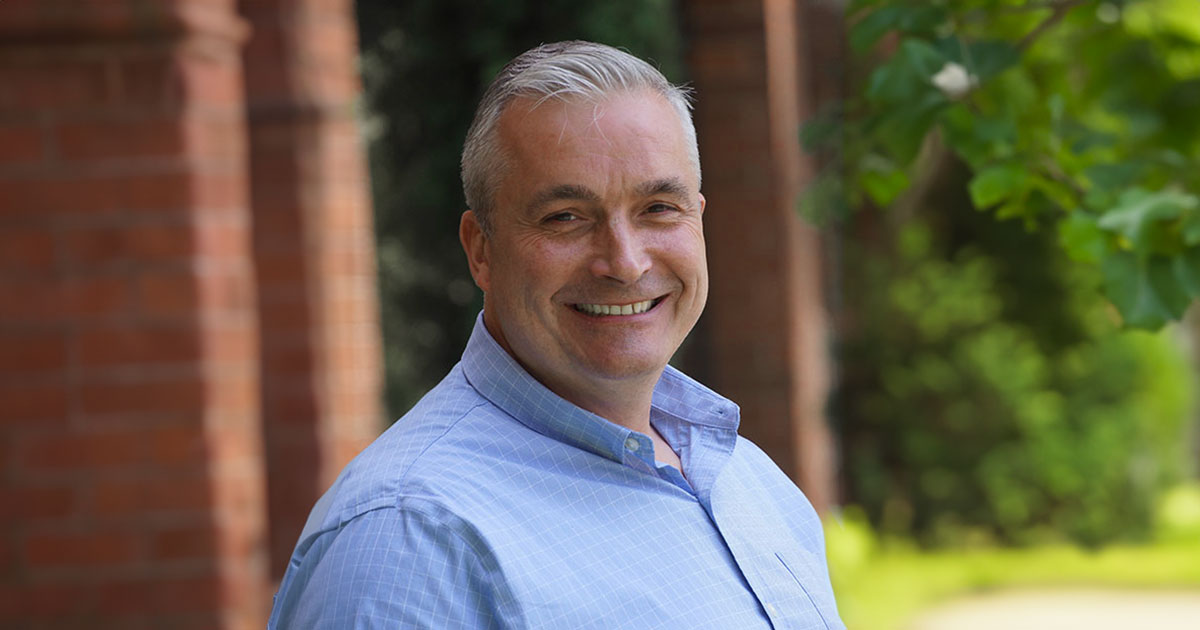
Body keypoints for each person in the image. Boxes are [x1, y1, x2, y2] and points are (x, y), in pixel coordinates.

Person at [268, 40, 844, 629]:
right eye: (565, 217)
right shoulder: (410, 539)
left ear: (697, 217)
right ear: (481, 250)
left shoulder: (744, 479)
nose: (624, 262)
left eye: (658, 208)